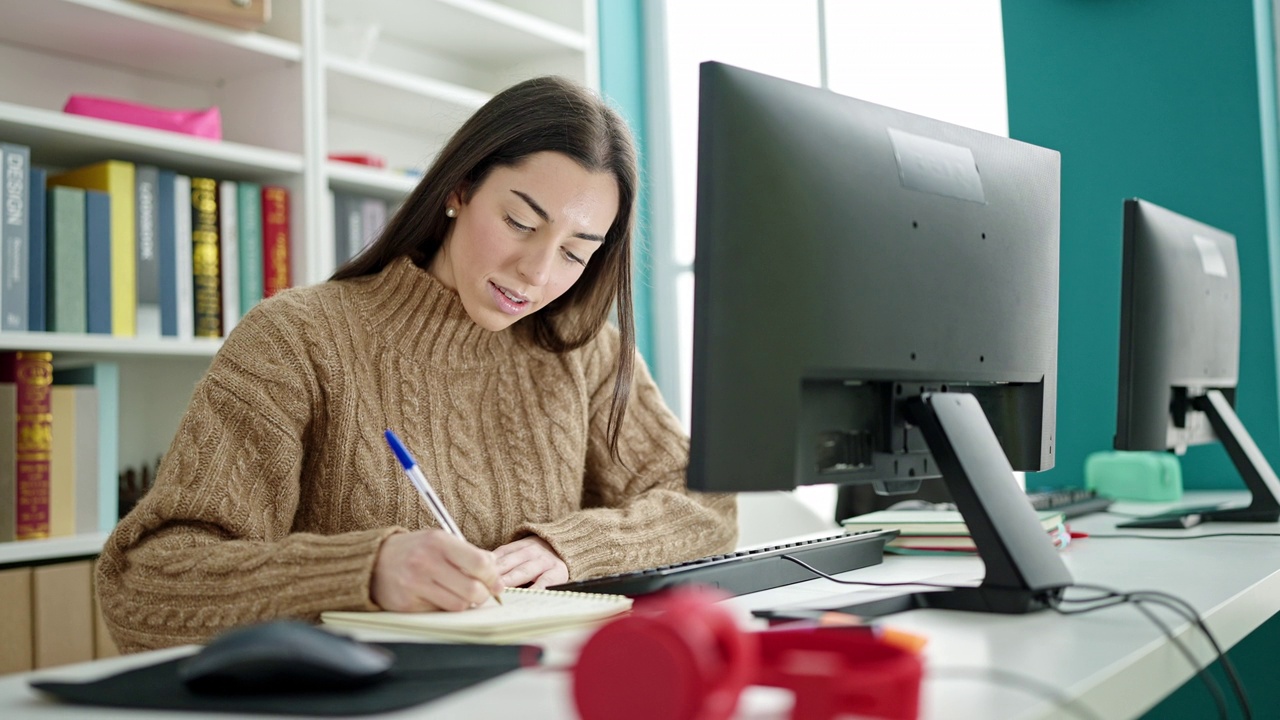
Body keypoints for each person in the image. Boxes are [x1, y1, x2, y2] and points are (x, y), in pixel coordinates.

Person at [96, 76, 738, 653]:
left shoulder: (582, 349)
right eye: (519, 222)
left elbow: (707, 504)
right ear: (459, 189)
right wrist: (364, 571)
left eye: (576, 253)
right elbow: (143, 584)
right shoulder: (298, 340)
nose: (537, 274)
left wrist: (571, 549)